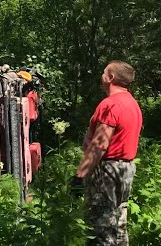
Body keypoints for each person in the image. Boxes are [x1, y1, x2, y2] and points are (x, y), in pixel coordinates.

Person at [71, 61, 143, 245]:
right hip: (126, 169)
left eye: (104, 72)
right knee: (118, 222)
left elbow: (99, 145)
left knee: (100, 226)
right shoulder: (133, 104)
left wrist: (80, 176)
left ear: (110, 78)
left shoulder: (110, 104)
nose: (101, 76)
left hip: (107, 171)